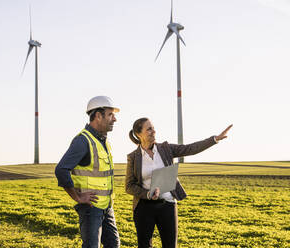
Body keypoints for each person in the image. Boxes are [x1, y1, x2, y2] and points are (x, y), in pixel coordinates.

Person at [125, 117, 232, 248]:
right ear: (139, 134)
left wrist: (214, 139)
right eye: (149, 129)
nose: (154, 131)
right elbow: (129, 186)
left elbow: (190, 149)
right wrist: (147, 194)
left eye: (153, 128)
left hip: (167, 205)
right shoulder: (133, 157)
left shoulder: (165, 149)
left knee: (170, 245)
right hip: (144, 207)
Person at [55, 96, 120, 248]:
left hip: (106, 207)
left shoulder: (103, 141)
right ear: (98, 116)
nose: (115, 119)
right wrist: (77, 197)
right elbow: (61, 169)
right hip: (91, 208)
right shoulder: (83, 141)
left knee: (113, 244)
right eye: (110, 114)